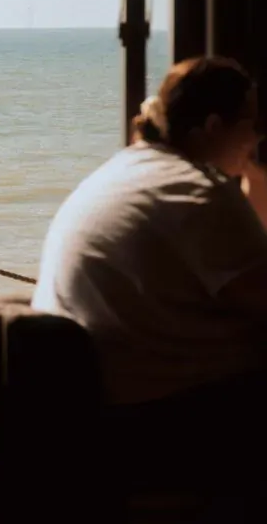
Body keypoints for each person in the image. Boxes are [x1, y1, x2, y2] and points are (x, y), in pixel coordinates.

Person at [34, 55, 267, 411]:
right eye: (251, 123)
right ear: (215, 126)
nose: (257, 137)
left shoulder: (124, 170)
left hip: (87, 406)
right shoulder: (199, 192)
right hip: (163, 413)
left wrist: (255, 182)